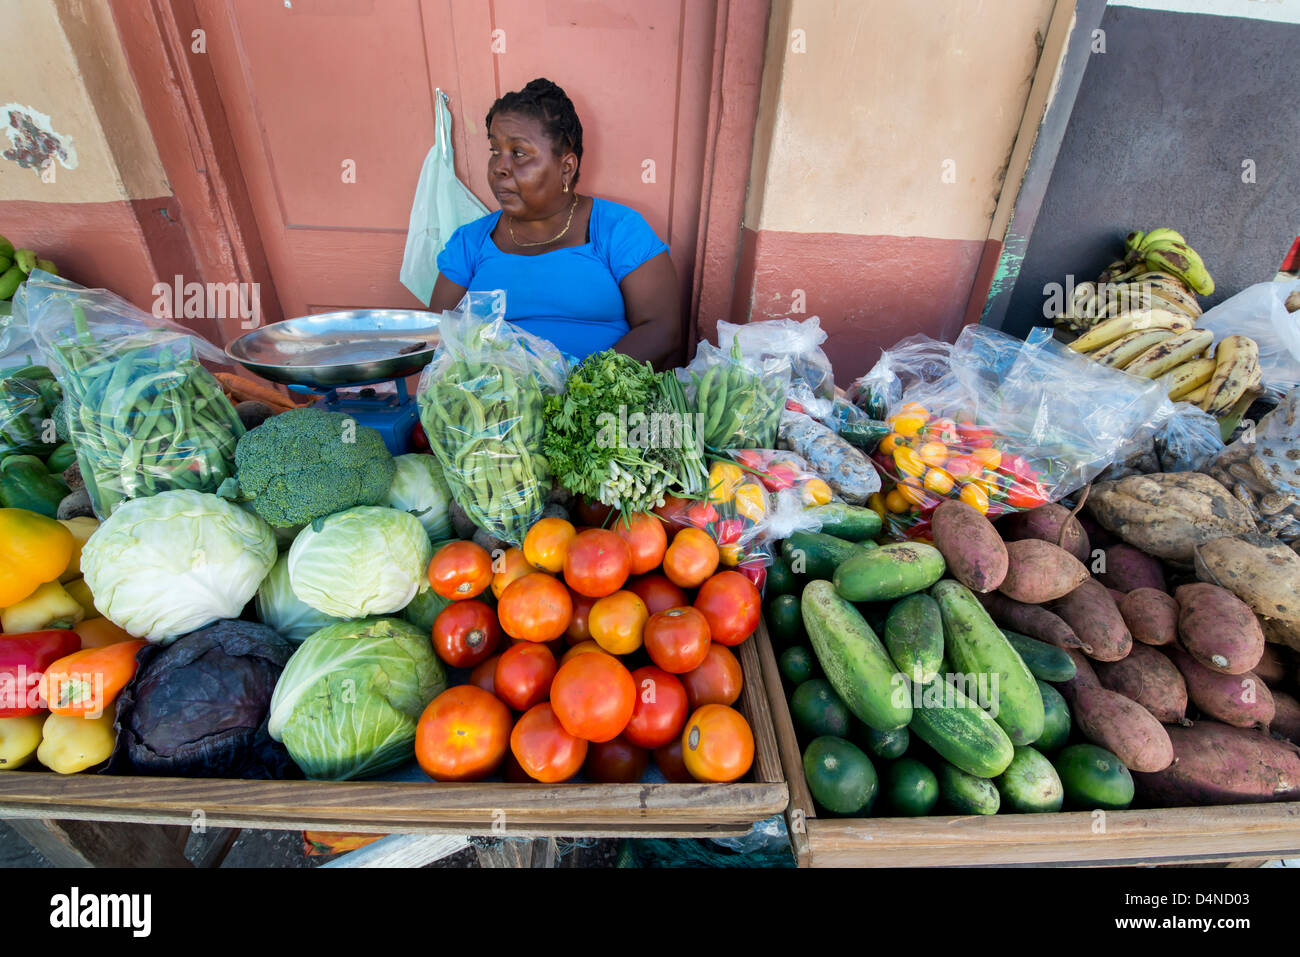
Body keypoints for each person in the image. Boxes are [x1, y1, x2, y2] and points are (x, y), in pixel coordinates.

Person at [430, 79, 681, 367]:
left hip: (595, 406)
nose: (499, 167)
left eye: (519, 153)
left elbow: (662, 330)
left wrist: (577, 391)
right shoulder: (470, 242)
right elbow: (440, 337)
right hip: (499, 406)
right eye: (495, 151)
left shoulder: (618, 229)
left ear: (566, 167)